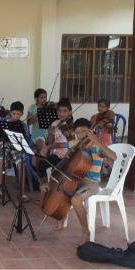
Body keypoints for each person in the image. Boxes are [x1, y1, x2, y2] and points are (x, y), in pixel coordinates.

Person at [48, 118, 117, 246]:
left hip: (92, 183)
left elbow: (113, 157)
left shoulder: (97, 146)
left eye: (84, 131)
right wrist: (47, 146)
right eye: (78, 132)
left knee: (75, 199)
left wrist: (96, 140)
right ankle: (61, 219)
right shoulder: (75, 143)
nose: (81, 135)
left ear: (92, 131)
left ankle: (86, 232)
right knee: (63, 190)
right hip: (77, 180)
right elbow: (60, 145)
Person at [0, 102, 32, 202]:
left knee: (21, 165)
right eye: (14, 114)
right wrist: (1, 143)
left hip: (17, 148)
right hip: (5, 147)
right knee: (0, 162)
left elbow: (25, 140)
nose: (16, 116)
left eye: (18, 114)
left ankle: (22, 193)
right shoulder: (4, 123)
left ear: (21, 114)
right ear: (10, 113)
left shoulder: (23, 125)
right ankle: (0, 189)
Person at [36, 98, 75, 185]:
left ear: (70, 112)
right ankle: (45, 187)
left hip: (68, 156)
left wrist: (66, 134)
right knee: (41, 165)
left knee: (55, 170)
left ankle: (53, 191)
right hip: (57, 155)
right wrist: (50, 133)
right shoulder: (55, 123)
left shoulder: (72, 126)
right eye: (59, 111)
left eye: (65, 111)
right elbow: (50, 143)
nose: (61, 113)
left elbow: (72, 143)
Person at [90, 98, 114, 175]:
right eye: (99, 106)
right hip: (95, 140)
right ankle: (101, 169)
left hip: (105, 141)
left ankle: (109, 169)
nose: (100, 108)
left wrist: (106, 124)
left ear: (108, 108)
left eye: (103, 107)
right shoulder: (94, 117)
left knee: (101, 154)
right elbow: (90, 129)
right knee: (94, 152)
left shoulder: (109, 118)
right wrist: (97, 125)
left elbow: (111, 130)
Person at [27, 89, 49, 153]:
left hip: (49, 133)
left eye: (45, 97)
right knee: (42, 147)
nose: (44, 99)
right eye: (41, 98)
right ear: (36, 98)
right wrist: (36, 114)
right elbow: (29, 122)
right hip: (38, 134)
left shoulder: (48, 107)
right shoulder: (33, 108)